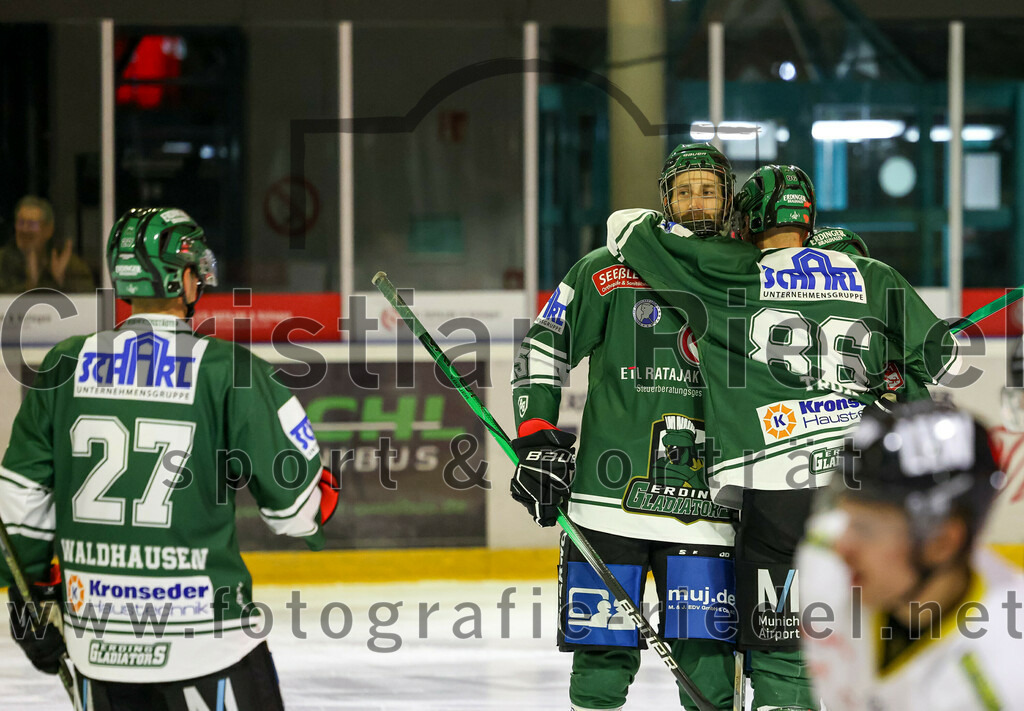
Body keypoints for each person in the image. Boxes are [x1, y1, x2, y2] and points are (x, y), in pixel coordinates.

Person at [604, 159, 966, 710]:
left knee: (783, 644)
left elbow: (625, 227)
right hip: (861, 487)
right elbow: (939, 355)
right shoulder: (873, 275)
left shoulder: (726, 270)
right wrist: (890, 374)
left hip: (775, 481)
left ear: (745, 219)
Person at [0, 207, 339, 710]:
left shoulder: (63, 365)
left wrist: (29, 603)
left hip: (99, 645)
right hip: (208, 640)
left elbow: (20, 505)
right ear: (182, 278)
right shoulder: (230, 371)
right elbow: (297, 511)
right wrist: (324, 492)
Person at [510, 144, 739, 711]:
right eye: (683, 190)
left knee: (708, 660)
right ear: (665, 199)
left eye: (707, 189)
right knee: (601, 659)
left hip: (706, 508)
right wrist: (536, 431)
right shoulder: (606, 271)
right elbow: (545, 345)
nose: (695, 201)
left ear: (726, 198)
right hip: (606, 501)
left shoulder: (749, 274)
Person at [797, 399, 1024, 709]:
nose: (841, 546)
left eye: (865, 529)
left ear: (941, 543)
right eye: (846, 518)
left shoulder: (1005, 677)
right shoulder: (823, 558)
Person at [0, 195, 95, 293]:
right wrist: (30, 284)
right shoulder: (2, 261)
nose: (24, 229)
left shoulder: (69, 264)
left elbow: (89, 298)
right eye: (20, 223)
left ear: (48, 230)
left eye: (32, 224)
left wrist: (60, 281)